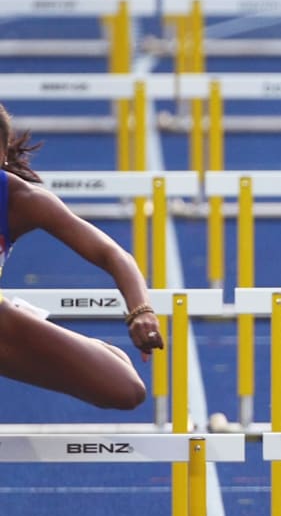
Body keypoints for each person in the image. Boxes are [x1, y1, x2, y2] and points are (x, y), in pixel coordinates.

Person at [0, 103, 161, 410]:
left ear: (2, 155)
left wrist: (141, 310)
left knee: (126, 391)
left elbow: (111, 252)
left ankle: (96, 351)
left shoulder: (21, 201)